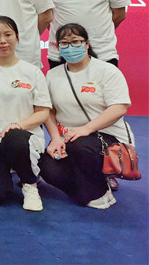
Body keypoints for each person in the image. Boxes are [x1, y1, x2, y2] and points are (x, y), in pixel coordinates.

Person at [40, 23, 134, 209]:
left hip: (106, 137)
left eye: (75, 42)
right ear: (58, 47)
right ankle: (93, 188)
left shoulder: (107, 71)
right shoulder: (52, 75)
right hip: (68, 139)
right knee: (46, 166)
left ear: (87, 44)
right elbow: (48, 110)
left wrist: (86, 129)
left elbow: (119, 107)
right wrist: (55, 138)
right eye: (64, 43)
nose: (70, 47)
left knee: (80, 146)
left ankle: (95, 192)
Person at [0, 16, 51, 211]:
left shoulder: (32, 72)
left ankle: (30, 184)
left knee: (14, 137)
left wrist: (18, 126)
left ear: (17, 37)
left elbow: (43, 113)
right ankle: (3, 172)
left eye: (8, 35)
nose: (3, 41)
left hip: (24, 140)